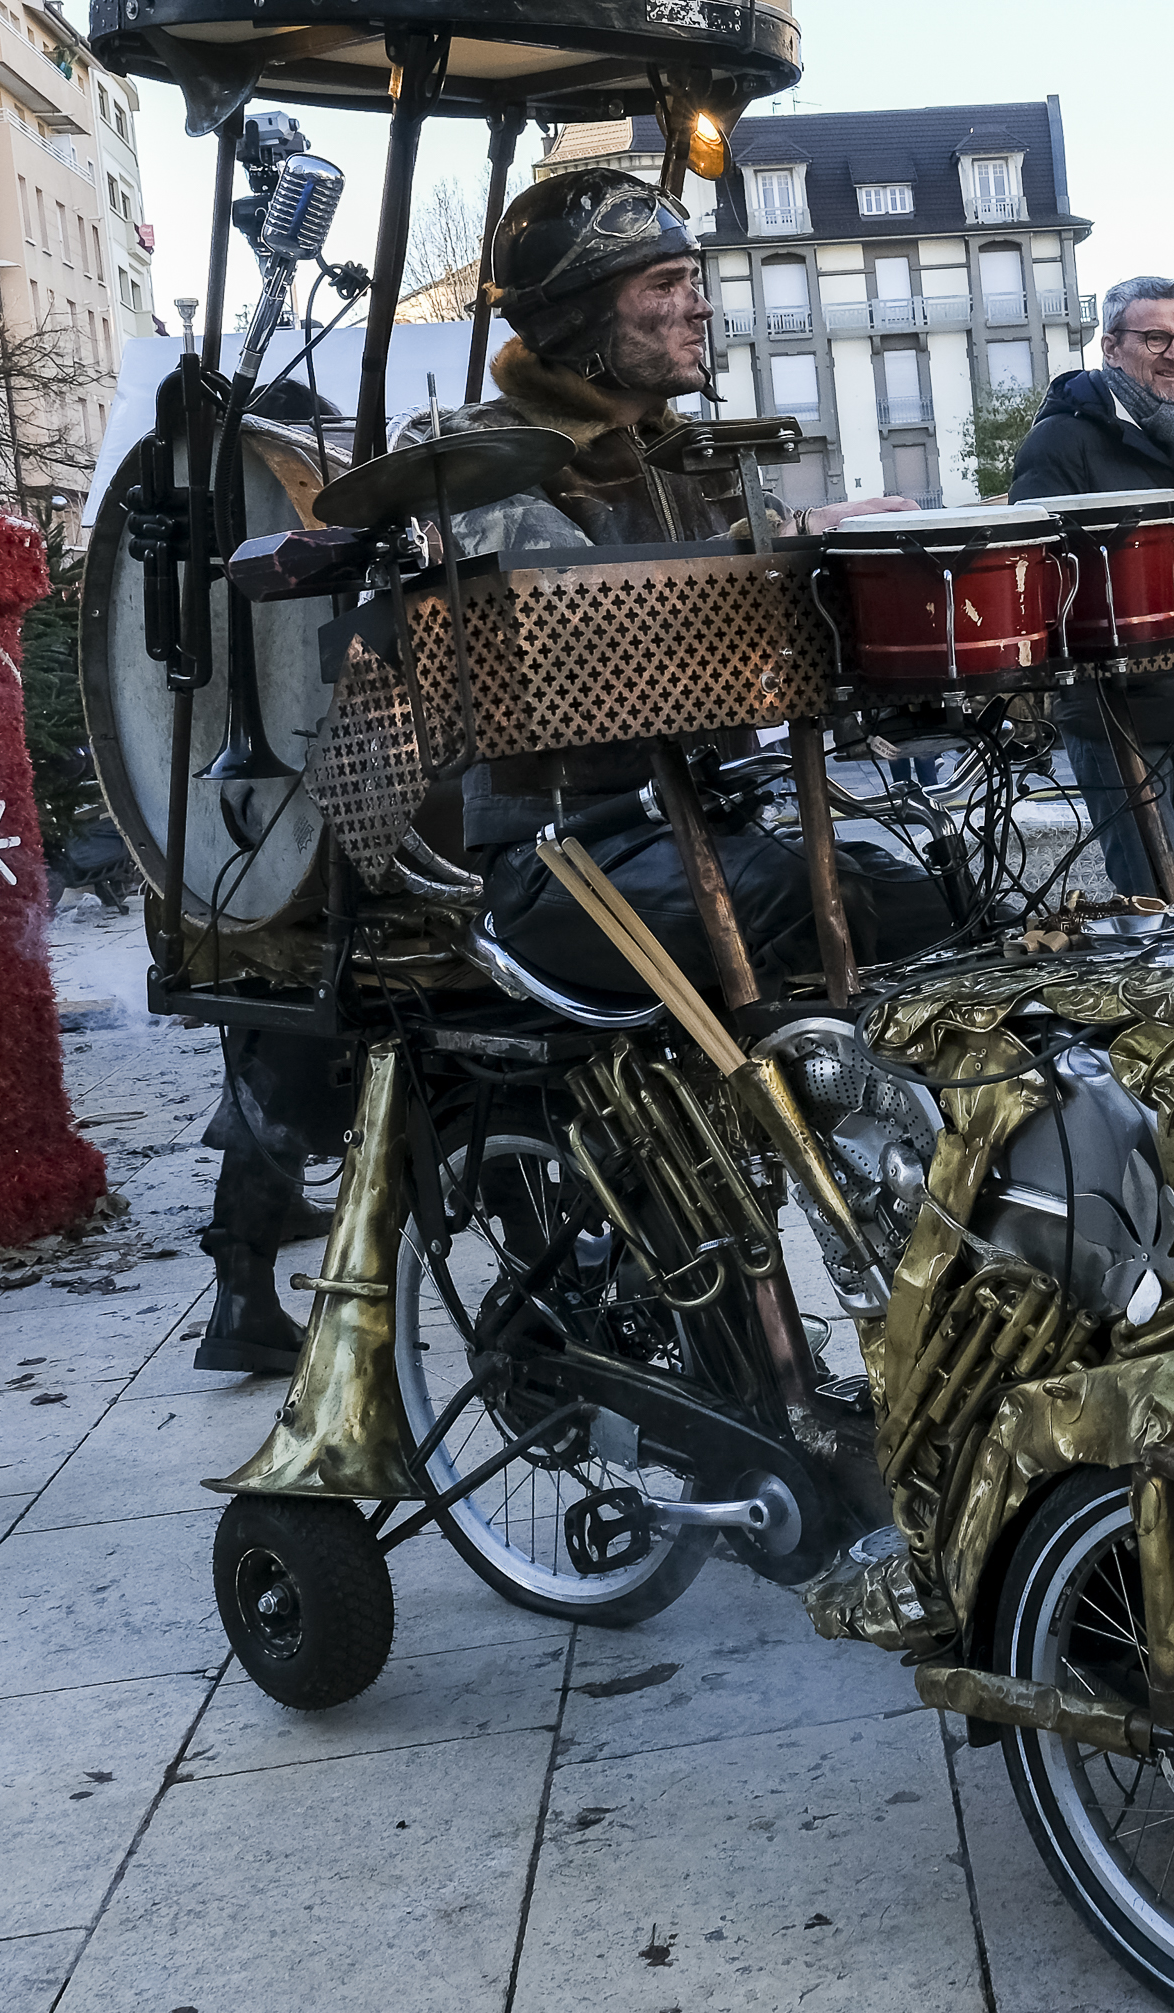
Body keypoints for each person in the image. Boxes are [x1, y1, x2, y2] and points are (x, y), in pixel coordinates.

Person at [184, 168, 912, 1374]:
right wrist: (770, 571)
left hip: (686, 820)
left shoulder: (689, 453)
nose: (698, 310)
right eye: (667, 285)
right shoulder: (468, 461)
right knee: (795, 904)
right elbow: (577, 648)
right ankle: (730, 1337)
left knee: (929, 901)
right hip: (550, 848)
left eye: (694, 283)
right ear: (580, 317)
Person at [1013, 275, 1174, 895]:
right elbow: (1036, 570)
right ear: (1110, 347)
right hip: (1116, 708)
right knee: (1157, 904)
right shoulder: (1061, 438)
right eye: (1157, 338)